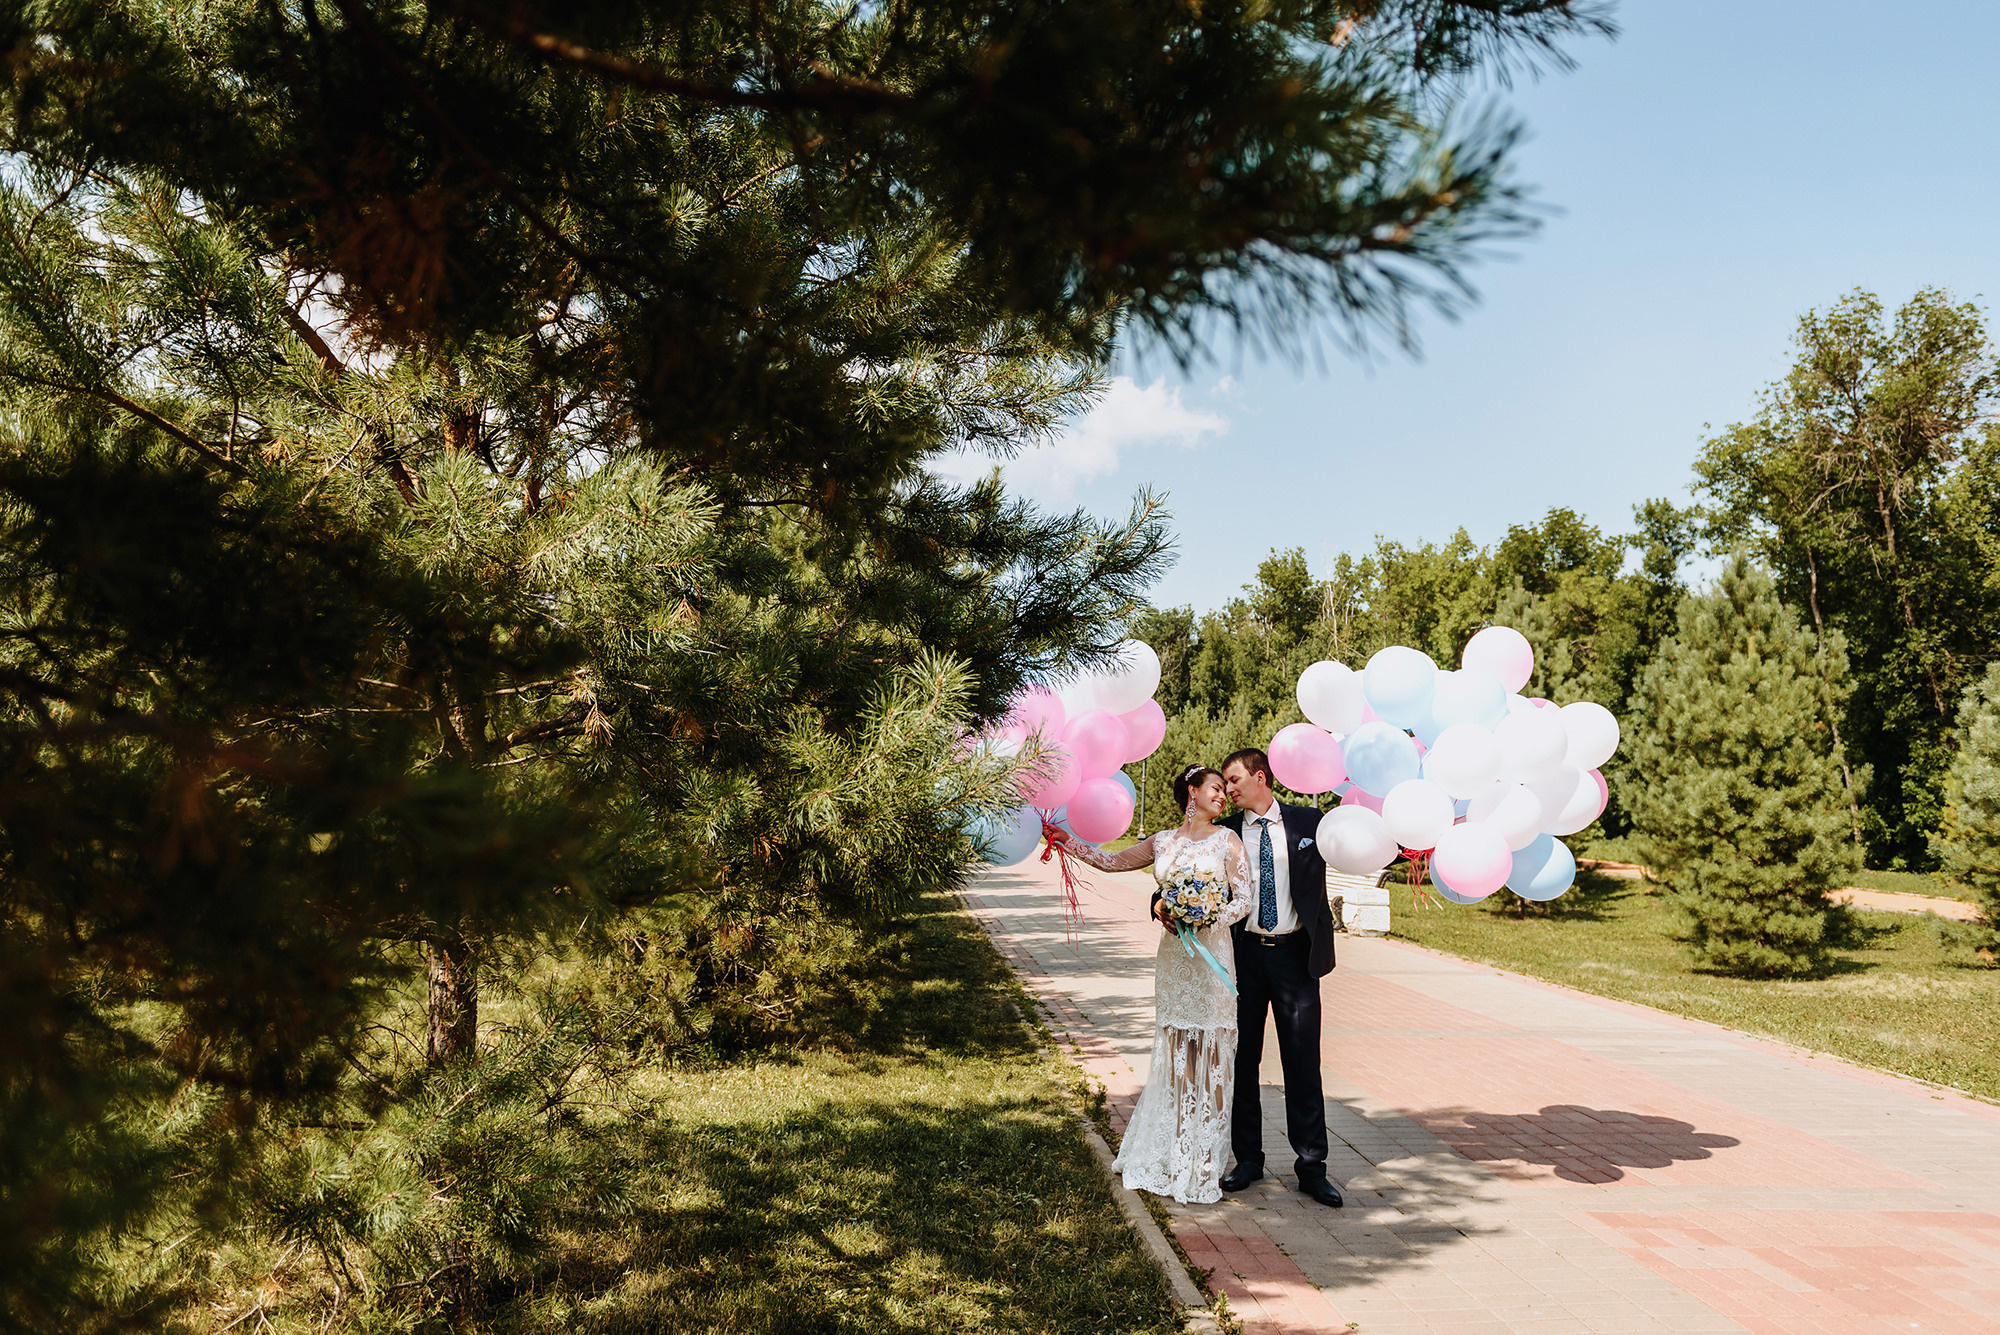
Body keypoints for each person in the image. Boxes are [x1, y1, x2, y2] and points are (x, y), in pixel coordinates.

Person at [1050, 765, 1253, 1203]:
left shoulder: (1227, 841)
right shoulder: (1163, 841)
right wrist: (1071, 844)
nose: (1223, 797)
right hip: (1174, 961)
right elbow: (1113, 861)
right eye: (1215, 789)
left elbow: (1244, 900)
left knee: (1212, 1051)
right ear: (1192, 793)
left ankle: (1205, 1159)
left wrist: (1205, 916)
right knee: (1178, 1050)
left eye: (1224, 791)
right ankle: (1176, 1147)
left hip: (1212, 956)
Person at [1208, 747, 1343, 1208]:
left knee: (1303, 1063)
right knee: (1242, 1061)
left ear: (1260, 777)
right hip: (1242, 958)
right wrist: (1164, 903)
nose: (1228, 789)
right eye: (1225, 782)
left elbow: (1356, 844)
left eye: (1233, 779)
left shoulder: (1310, 823)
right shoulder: (1223, 833)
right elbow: (1182, 869)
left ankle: (1312, 1168)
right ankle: (1247, 1160)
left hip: (1296, 960)